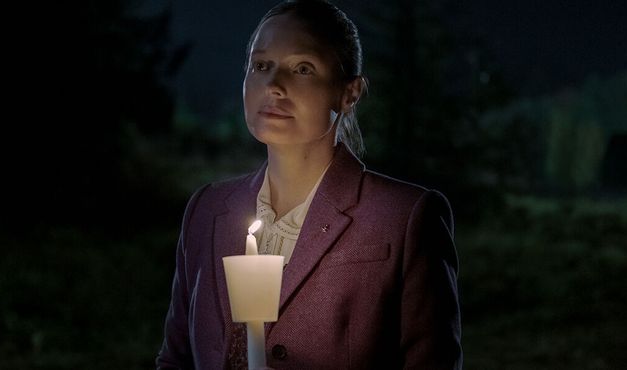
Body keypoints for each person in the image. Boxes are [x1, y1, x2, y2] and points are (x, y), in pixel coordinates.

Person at [156, 0, 462, 369]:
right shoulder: (207, 210)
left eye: (302, 68)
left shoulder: (405, 217)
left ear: (350, 92)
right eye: (261, 65)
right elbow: (175, 359)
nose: (274, 85)